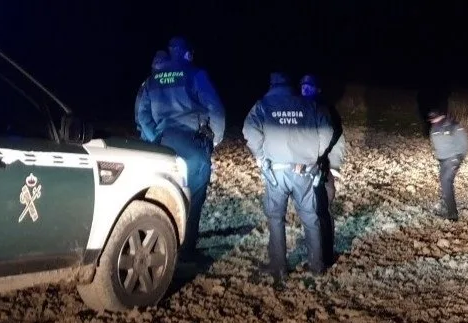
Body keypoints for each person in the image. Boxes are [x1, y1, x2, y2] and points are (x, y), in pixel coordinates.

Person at [242, 72, 343, 283]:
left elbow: (249, 130)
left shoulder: (263, 104)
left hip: (276, 171)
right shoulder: (307, 104)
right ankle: (317, 266)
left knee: (276, 217)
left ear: (272, 85)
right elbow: (327, 130)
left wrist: (261, 155)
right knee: (310, 216)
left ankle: (279, 266)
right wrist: (314, 155)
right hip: (304, 170)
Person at [135, 36, 226, 260]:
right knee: (194, 195)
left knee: (163, 193)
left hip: (162, 144)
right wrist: (215, 139)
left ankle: (161, 242)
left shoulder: (152, 80)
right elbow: (215, 108)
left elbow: (142, 114)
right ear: (187, 53)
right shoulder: (196, 74)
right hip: (192, 144)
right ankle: (186, 250)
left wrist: (154, 137)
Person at [300, 74, 346, 269]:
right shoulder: (299, 108)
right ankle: (316, 254)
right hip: (303, 169)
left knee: (322, 212)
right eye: (302, 86)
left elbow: (337, 137)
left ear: (317, 89)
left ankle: (325, 256)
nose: (305, 89)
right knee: (311, 213)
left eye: (309, 86)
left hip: (322, 169)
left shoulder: (326, 109)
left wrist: (334, 166)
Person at [427, 109, 468, 221]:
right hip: (442, 160)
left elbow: (464, 144)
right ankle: (447, 206)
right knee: (444, 183)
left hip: (452, 159)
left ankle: (452, 214)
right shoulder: (434, 128)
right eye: (432, 119)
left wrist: (458, 159)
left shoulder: (453, 127)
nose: (433, 121)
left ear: (441, 116)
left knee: (446, 182)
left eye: (435, 118)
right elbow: (434, 142)